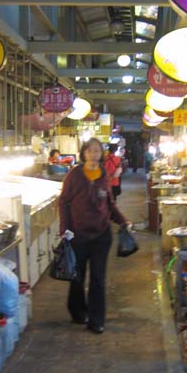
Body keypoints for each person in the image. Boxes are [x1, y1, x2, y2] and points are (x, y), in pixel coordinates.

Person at [58, 137, 131, 334]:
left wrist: (122, 220)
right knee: (77, 276)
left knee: (98, 278)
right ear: (84, 153)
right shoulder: (74, 175)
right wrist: (65, 228)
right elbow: (63, 202)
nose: (93, 154)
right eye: (90, 151)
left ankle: (97, 320)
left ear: (101, 154)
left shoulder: (104, 174)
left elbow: (109, 203)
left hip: (101, 234)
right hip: (78, 234)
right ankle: (78, 311)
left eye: (97, 151)